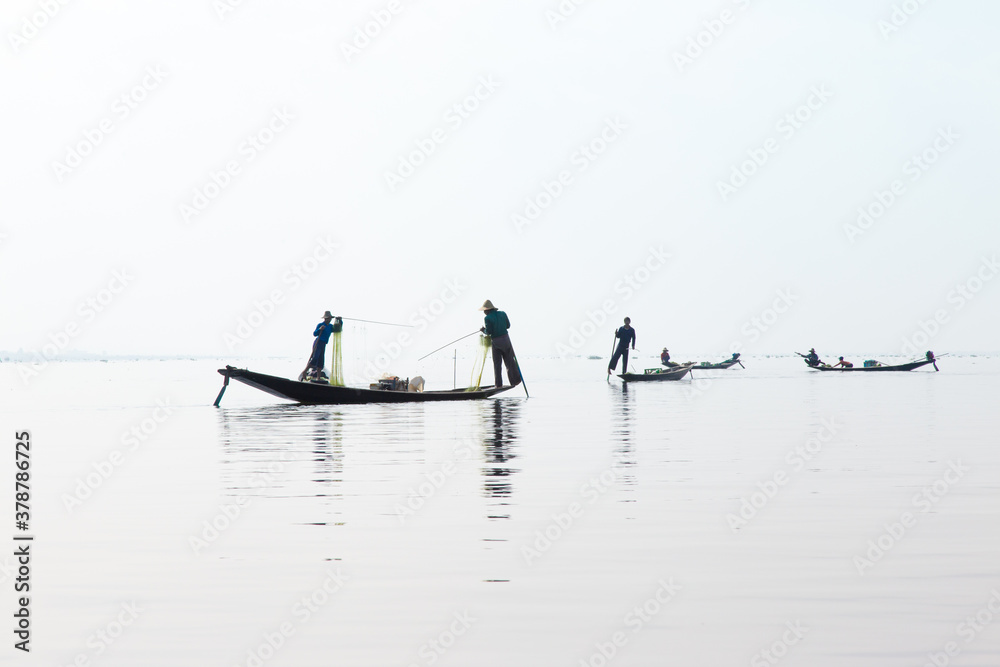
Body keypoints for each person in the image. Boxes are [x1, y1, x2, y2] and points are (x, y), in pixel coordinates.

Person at [479, 300, 521, 389]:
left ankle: (498, 384)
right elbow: (508, 326)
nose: (484, 312)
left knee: (497, 364)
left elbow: (489, 332)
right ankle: (515, 380)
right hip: (506, 340)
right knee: (510, 362)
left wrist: (483, 330)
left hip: (496, 342)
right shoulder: (503, 313)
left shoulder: (487, 318)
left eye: (484, 311)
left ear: (487, 310)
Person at [299, 311, 341, 381]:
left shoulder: (330, 326)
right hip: (318, 342)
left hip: (323, 344)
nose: (328, 319)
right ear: (325, 319)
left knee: (321, 360)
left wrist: (340, 321)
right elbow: (315, 334)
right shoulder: (320, 324)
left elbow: (337, 329)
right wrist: (320, 329)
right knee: (315, 358)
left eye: (330, 318)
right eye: (327, 318)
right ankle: (305, 371)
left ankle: (318, 377)